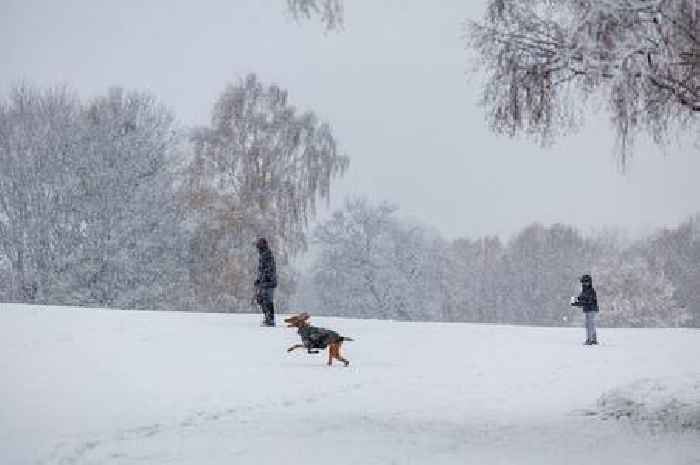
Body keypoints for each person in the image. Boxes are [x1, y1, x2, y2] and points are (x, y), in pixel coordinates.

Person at [254, 237, 277, 327]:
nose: (258, 248)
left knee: (267, 300)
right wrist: (258, 280)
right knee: (261, 299)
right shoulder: (263, 255)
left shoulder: (267, 255)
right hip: (265, 282)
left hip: (269, 282)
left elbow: (268, 269)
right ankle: (268, 317)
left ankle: (270, 319)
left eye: (259, 245)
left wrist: (263, 278)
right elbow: (262, 270)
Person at [570, 274, 599, 345]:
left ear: (589, 282)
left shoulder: (591, 291)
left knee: (590, 324)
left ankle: (590, 340)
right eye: (583, 282)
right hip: (588, 309)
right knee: (591, 324)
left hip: (591, 309)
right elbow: (581, 300)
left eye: (586, 282)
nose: (584, 283)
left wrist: (579, 303)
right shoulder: (584, 291)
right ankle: (593, 339)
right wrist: (576, 303)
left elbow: (588, 301)